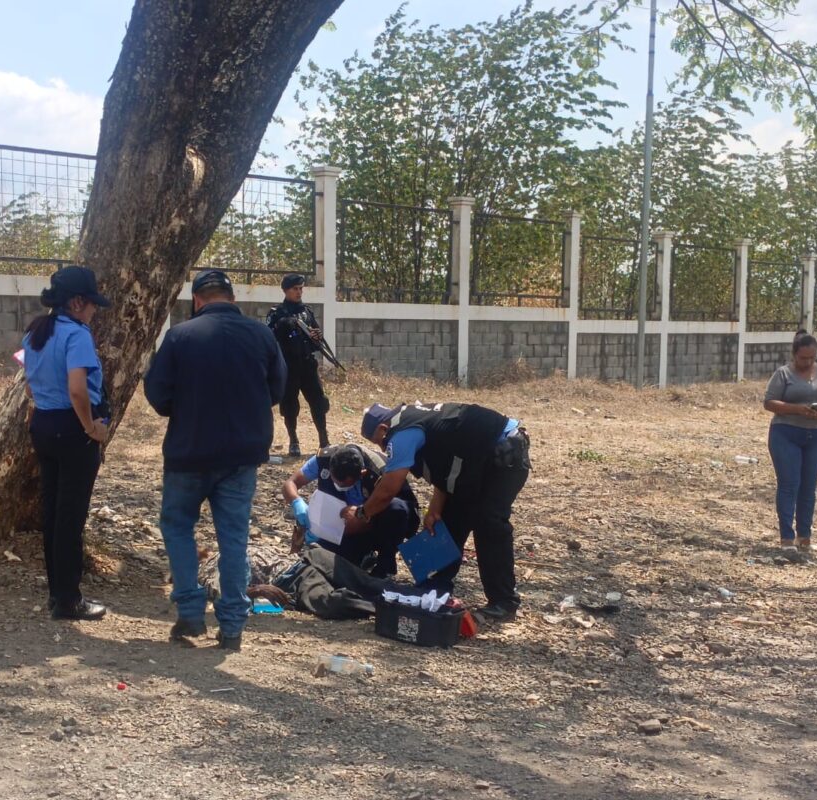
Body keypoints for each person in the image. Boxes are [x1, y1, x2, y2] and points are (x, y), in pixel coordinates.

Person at [143, 269, 286, 651]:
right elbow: (277, 389)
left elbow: (158, 395)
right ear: (232, 299)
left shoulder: (180, 336)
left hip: (189, 453)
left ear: (197, 301)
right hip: (241, 457)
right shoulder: (262, 335)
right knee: (234, 539)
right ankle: (233, 625)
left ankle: (190, 614)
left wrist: (187, 408)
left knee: (177, 527)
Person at [358, 401, 530, 623]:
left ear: (383, 429)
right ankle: (433, 587)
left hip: (504, 454)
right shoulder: (417, 418)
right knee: (448, 520)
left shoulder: (400, 433)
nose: (384, 449)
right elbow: (449, 459)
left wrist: (363, 513)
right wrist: (435, 507)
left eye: (380, 443)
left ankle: (503, 602)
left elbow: (388, 489)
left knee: (489, 522)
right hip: (475, 460)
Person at [21, 265, 112, 621]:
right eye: (91, 305)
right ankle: (69, 600)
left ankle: (56, 593)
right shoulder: (77, 335)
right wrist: (91, 427)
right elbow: (77, 388)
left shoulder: (35, 333)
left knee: (54, 513)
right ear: (77, 303)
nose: (93, 312)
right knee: (71, 518)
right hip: (73, 430)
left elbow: (28, 384)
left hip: (43, 423)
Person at [282, 443, 420, 577]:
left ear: (362, 474)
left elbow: (400, 510)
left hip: (379, 523)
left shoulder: (378, 472)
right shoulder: (325, 458)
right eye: (335, 481)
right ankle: (364, 556)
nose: (338, 487)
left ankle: (385, 566)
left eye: (345, 485)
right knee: (327, 565)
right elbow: (290, 483)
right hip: (340, 528)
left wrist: (362, 515)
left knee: (395, 509)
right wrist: (297, 503)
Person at [763, 330, 817, 551]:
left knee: (808, 487)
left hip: (816, 436)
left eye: (812, 358)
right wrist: (797, 409)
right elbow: (769, 402)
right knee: (790, 484)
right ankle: (786, 538)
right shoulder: (783, 374)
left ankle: (805, 536)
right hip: (786, 433)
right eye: (803, 358)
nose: (807, 362)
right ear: (794, 355)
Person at [266, 274, 329, 456]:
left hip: (308, 365)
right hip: (288, 367)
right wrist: (283, 324)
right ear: (286, 290)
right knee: (289, 405)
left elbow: (316, 336)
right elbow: (269, 336)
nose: (299, 292)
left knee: (318, 402)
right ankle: (293, 441)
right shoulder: (276, 313)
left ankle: (324, 440)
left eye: (301, 288)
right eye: (295, 289)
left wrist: (316, 336)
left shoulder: (306, 312)